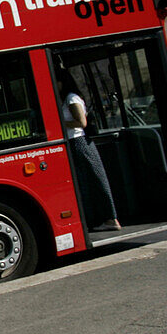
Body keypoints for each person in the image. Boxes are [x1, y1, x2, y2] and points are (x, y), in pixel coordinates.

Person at [57, 69, 120, 232]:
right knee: (84, 182)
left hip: (80, 142)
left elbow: (81, 122)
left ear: (62, 82)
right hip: (73, 142)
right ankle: (97, 218)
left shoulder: (71, 98)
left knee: (95, 178)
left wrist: (59, 123)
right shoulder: (65, 99)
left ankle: (110, 218)